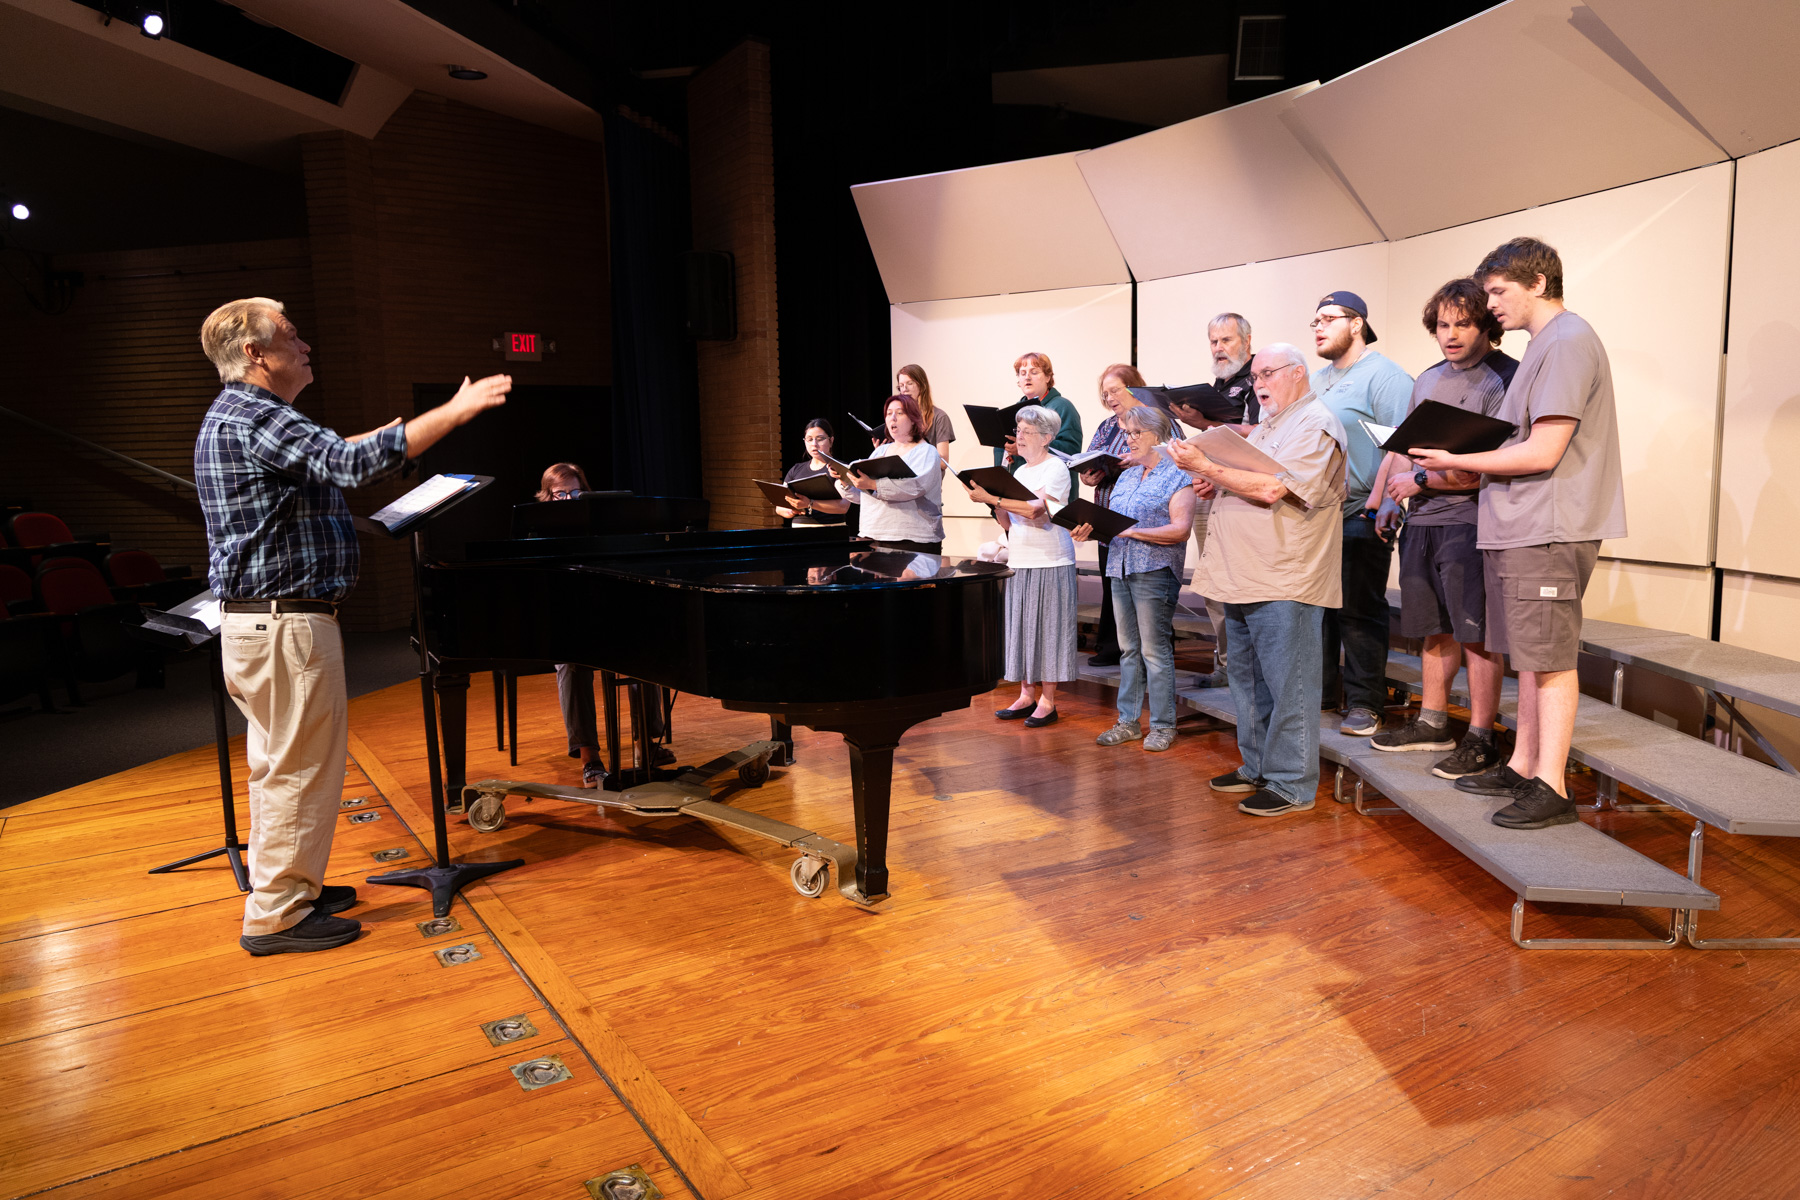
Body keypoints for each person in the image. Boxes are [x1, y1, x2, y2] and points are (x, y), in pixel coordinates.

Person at [194, 297, 509, 954]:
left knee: (280, 766)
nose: (305, 344)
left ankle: (291, 886)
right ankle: (277, 914)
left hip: (264, 626)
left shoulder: (243, 417)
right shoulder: (257, 415)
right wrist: (455, 411)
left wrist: (377, 439)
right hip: (284, 627)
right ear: (255, 354)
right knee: (298, 771)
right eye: (291, 334)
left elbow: (334, 454)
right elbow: (346, 465)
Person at [1409, 238, 1625, 829]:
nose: (1491, 303)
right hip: (1516, 524)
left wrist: (1460, 460)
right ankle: (1525, 762)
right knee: (1529, 655)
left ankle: (1551, 785)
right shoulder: (1541, 347)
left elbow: (1544, 448)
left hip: (1549, 525)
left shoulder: (1568, 341)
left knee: (1549, 656)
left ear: (1538, 282)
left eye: (1499, 291)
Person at [1172, 343, 1347, 817]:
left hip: (1283, 576)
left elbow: (1274, 489)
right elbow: (1248, 478)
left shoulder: (1316, 423)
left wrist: (1207, 467)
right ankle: (1258, 766)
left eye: (1268, 373)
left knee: (1289, 685)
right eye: (1256, 377)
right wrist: (1217, 479)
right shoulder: (1269, 426)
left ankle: (1292, 783)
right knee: (1248, 683)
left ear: (1298, 372)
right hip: (1241, 573)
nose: (1259, 384)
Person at [1367, 279, 1515, 778]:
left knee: (1476, 633)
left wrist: (1421, 479)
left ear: (1486, 325)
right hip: (1423, 519)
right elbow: (1404, 448)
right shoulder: (1428, 379)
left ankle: (1480, 737)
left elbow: (1487, 465)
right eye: (1443, 325)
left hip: (1470, 522)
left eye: (1463, 323)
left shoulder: (1504, 378)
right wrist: (1386, 500)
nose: (1451, 335)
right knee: (1432, 628)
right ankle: (1432, 722)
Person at [1308, 289, 1414, 735]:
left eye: (1328, 319)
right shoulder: (1315, 380)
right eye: (1314, 321)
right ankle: (1324, 694)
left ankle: (1366, 704)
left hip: (1362, 511)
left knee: (1359, 611)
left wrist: (1388, 502)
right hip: (1318, 513)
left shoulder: (1385, 377)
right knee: (1321, 609)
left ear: (1356, 324)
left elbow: (1404, 444)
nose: (1318, 327)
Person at [1071, 404, 1195, 751]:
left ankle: (1163, 725)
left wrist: (1128, 533)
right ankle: (1128, 722)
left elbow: (1180, 530)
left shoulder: (1178, 473)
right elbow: (1114, 526)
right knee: (1128, 650)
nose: (1129, 439)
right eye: (1127, 433)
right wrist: (1090, 529)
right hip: (1119, 567)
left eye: (1136, 432)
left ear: (1159, 435)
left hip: (1154, 570)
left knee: (1155, 651)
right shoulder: (1125, 475)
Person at [966, 405, 1077, 727]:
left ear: (1046, 437)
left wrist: (996, 498)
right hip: (1021, 558)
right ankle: (1026, 695)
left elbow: (1036, 511)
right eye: (1018, 431)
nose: (1019, 437)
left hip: (1050, 560)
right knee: (1023, 630)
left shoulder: (1055, 468)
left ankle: (1048, 700)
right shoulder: (1020, 472)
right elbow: (1009, 522)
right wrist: (992, 498)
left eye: (1027, 432)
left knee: (1049, 632)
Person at [1168, 313, 1260, 689]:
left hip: (1243, 496)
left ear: (1247, 342)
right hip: (1210, 490)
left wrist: (1202, 422)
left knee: (1241, 583)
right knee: (1212, 582)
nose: (1219, 348)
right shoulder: (1219, 385)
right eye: (1214, 342)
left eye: (1226, 340)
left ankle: (1244, 668)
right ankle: (1225, 664)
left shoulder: (1259, 380)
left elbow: (1258, 439)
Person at [1079, 363, 1148, 667]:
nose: (1109, 398)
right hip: (1106, 514)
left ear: (1132, 387)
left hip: (1141, 516)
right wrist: (1089, 474)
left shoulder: (1155, 419)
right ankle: (1111, 645)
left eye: (1114, 391)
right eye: (1105, 394)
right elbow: (1088, 459)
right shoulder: (1107, 426)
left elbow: (1172, 455)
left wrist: (1133, 460)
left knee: (1141, 585)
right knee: (1111, 580)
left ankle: (1145, 647)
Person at [832, 393, 945, 552]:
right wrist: (846, 482)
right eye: (889, 413)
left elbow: (915, 487)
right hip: (875, 535)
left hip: (913, 538)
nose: (893, 418)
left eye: (899, 413)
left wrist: (872, 484)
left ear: (913, 419)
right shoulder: (880, 452)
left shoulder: (926, 451)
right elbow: (865, 496)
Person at [997, 352, 1082, 472]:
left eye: (1034, 372)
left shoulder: (1063, 406)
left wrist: (1027, 447)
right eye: (1023, 373)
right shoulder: (1013, 412)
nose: (1027, 377)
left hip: (1051, 484)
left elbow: (1071, 451)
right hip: (1018, 483)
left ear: (1048, 377)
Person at [775, 419, 852, 526]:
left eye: (820, 439)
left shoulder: (839, 468)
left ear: (831, 440)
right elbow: (779, 507)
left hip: (831, 530)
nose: (814, 444)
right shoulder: (796, 469)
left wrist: (810, 503)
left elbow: (843, 506)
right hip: (800, 531)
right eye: (809, 439)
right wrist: (792, 510)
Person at [895, 365, 955, 463]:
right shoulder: (899, 417)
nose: (904, 389)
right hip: (901, 476)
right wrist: (884, 451)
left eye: (909, 383)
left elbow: (943, 462)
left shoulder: (939, 417)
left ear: (922, 386)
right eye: (901, 386)